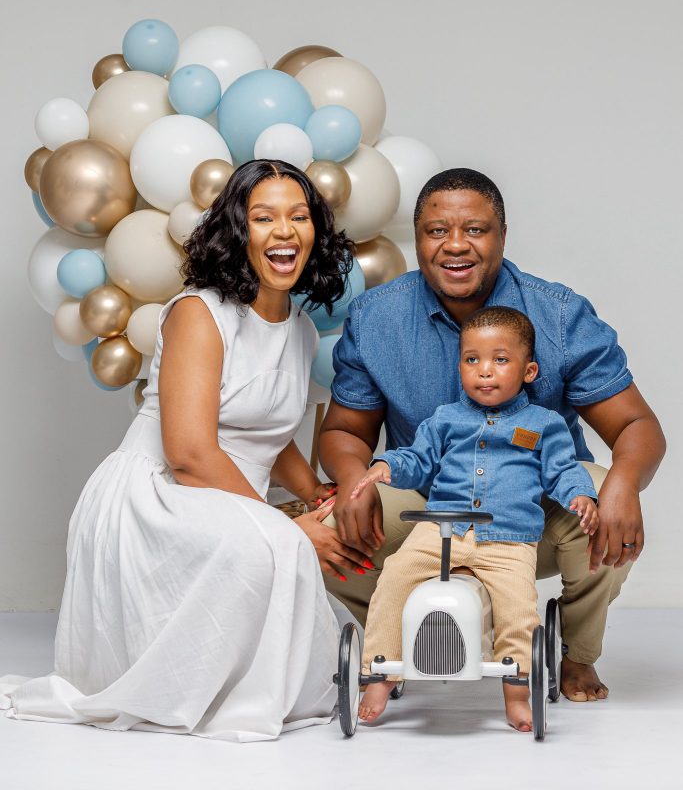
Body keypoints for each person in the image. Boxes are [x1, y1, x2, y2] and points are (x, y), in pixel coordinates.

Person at [1, 159, 370, 743]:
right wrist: (284, 524)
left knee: (289, 544)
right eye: (264, 217)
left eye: (299, 216)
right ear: (236, 230)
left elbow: (267, 437)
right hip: (156, 494)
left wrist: (317, 497)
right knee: (272, 547)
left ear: (316, 234)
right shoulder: (201, 312)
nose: (284, 231)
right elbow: (190, 454)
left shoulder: (298, 328)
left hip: (225, 494)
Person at [319, 168, 665, 702]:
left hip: (535, 503)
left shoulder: (557, 314)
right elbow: (344, 430)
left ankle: (577, 654)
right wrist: (349, 480)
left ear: (502, 236)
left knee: (600, 495)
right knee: (323, 528)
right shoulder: (377, 317)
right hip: (430, 502)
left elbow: (637, 425)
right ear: (418, 239)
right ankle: (394, 649)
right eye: (437, 231)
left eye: (475, 230)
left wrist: (622, 482)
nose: (455, 246)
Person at [350, 306, 598, 732]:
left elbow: (562, 468)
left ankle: (516, 688)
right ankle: (380, 672)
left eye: (500, 360)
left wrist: (580, 494)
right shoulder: (445, 418)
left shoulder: (542, 424)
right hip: (440, 529)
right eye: (472, 360)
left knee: (518, 609)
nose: (485, 371)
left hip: (508, 539)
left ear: (529, 370)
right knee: (394, 578)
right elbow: (418, 459)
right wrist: (388, 465)